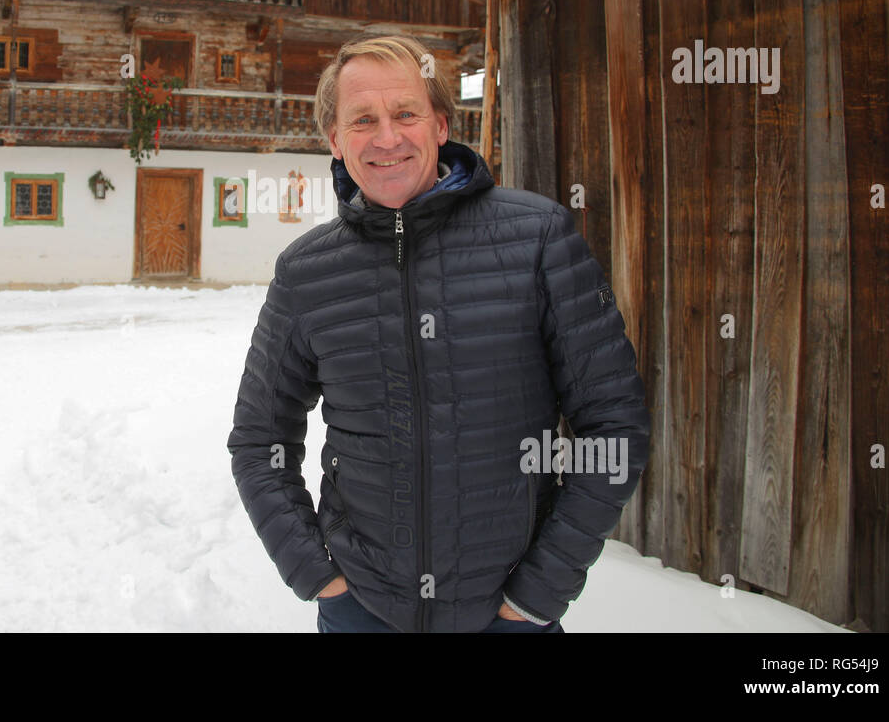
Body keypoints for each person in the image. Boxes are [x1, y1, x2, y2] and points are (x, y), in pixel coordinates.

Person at [226, 32, 650, 633]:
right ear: (335, 140)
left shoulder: (538, 240)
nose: (387, 138)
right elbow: (258, 443)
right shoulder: (306, 272)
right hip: (363, 614)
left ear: (442, 125)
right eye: (363, 120)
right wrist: (319, 577)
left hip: (507, 616)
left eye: (406, 114)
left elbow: (614, 427)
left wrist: (537, 594)